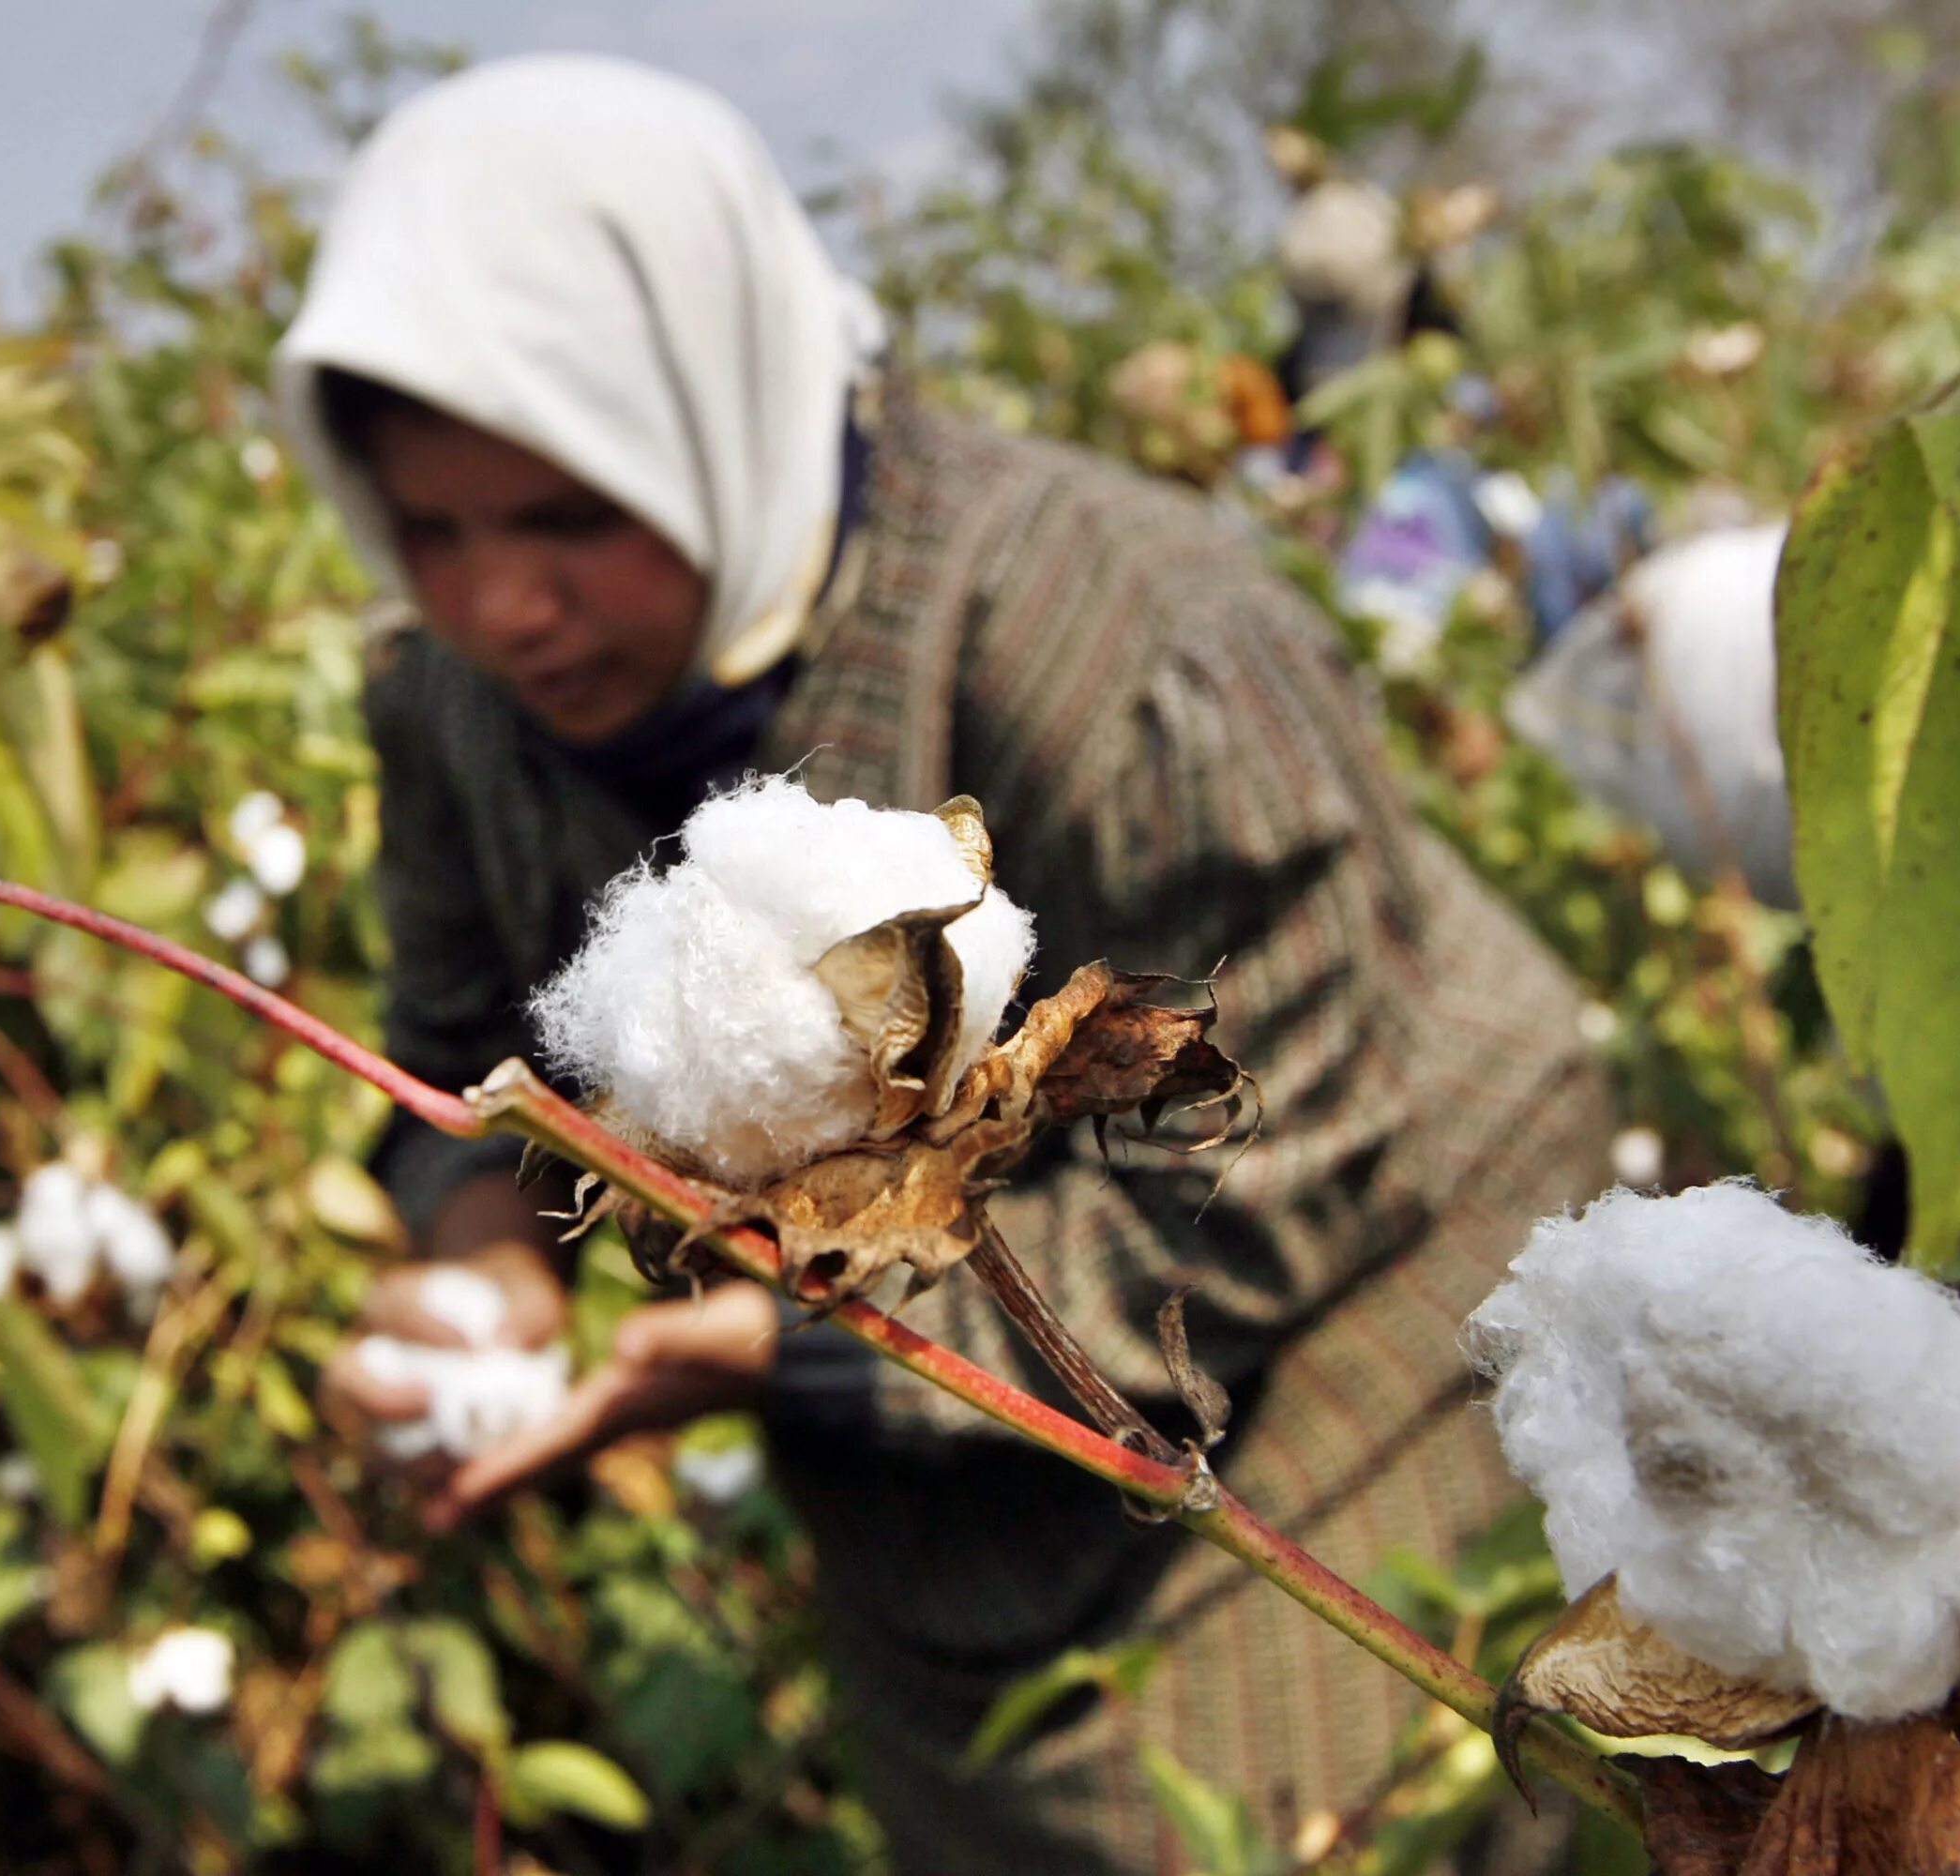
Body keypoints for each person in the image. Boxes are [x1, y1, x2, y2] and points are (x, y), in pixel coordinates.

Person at [275, 54, 1612, 1874]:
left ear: (713, 418)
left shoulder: (1114, 637)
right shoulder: (452, 711)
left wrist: (787, 1344)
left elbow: (1262, 1154)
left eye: (573, 518)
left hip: (1363, 1271)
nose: (502, 604)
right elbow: (452, 1046)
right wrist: (487, 1266)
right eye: (432, 529)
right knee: (980, 1801)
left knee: (1285, 1816)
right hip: (916, 1380)